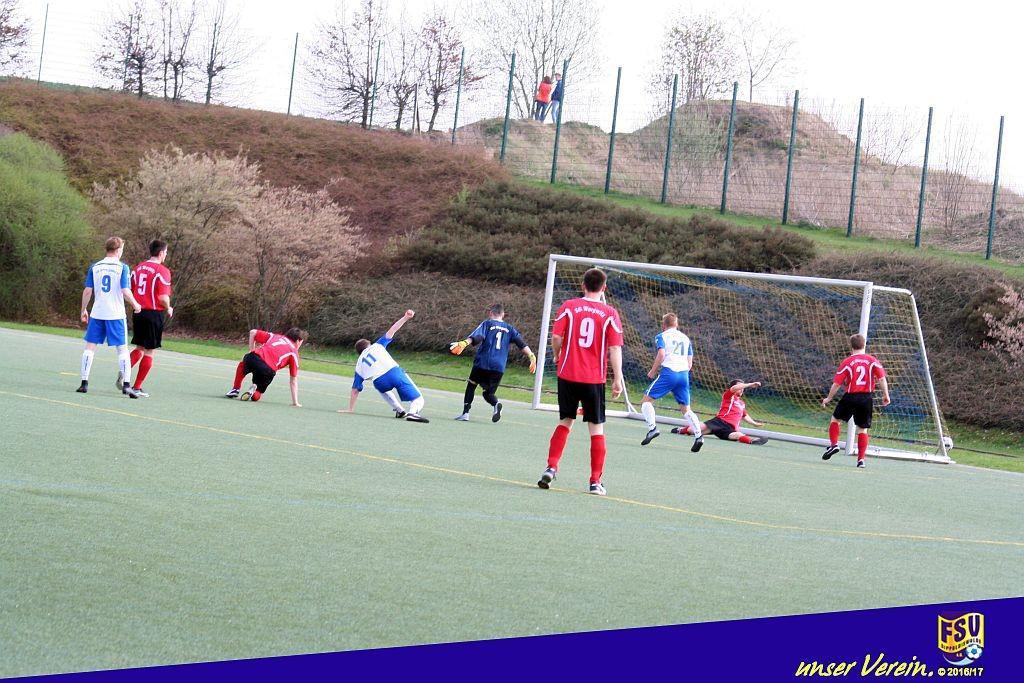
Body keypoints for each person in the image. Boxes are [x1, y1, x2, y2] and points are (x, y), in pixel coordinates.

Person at [537, 268, 624, 496]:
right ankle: (595, 481)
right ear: (604, 288)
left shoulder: (569, 306)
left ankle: (551, 467)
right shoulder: (610, 313)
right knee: (596, 429)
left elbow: (557, 336)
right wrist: (617, 379)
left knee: (565, 421)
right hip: (593, 378)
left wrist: (557, 355)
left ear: (583, 285)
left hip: (567, 374)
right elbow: (615, 348)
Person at [76, 236, 143, 397]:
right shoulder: (122, 267)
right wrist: (136, 304)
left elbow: (88, 291)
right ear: (118, 250)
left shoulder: (95, 267)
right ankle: (126, 385)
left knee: (90, 347)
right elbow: (125, 291)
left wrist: (83, 310)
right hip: (115, 314)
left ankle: (84, 383)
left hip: (97, 313)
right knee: (122, 349)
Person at [449, 303, 537, 423]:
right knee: (488, 394)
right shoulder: (510, 329)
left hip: (483, 362)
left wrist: (464, 343)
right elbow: (521, 344)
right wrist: (531, 356)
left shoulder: (487, 323)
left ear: (490, 313)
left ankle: (465, 413)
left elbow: (478, 337)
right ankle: (496, 404)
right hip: (499, 367)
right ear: (503, 314)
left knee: (471, 385)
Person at [340, 310, 428, 423]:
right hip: (393, 373)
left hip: (379, 381)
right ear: (369, 345)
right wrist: (405, 317)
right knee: (418, 399)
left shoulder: (359, 363)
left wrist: (350, 409)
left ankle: (399, 410)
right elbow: (393, 329)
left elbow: (355, 389)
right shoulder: (377, 345)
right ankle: (413, 413)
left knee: (382, 389)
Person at [821, 333, 890, 468]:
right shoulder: (872, 361)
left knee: (835, 419)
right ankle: (861, 460)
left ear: (851, 347)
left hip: (851, 396)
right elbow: (882, 379)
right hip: (866, 398)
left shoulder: (847, 362)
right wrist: (886, 395)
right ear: (864, 345)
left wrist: (829, 398)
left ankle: (834, 445)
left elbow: (837, 384)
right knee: (862, 430)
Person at [639, 313, 704, 451]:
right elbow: (690, 363)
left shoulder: (661, 336)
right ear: (677, 324)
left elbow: (661, 354)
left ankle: (652, 429)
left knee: (646, 401)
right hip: (684, 375)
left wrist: (653, 371)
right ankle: (699, 436)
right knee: (686, 409)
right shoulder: (686, 338)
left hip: (669, 373)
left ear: (663, 325)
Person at [127, 239, 173, 398]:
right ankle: (136, 387)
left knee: (139, 347)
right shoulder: (162, 271)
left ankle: (124, 375)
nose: (166, 255)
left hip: (138, 312)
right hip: (153, 314)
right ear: (161, 253)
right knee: (149, 351)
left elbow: (130, 290)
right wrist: (168, 307)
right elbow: (162, 297)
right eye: (165, 252)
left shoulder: (138, 268)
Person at [671, 380, 768, 446]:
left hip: (730, 428)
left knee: (738, 435)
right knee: (693, 430)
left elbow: (744, 415)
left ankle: (752, 441)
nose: (742, 389)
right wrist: (749, 384)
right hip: (719, 422)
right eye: (740, 386)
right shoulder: (728, 396)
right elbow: (734, 388)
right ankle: (681, 430)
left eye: (742, 387)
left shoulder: (742, 403)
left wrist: (754, 424)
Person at [225, 327, 306, 406]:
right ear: (298, 341)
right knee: (257, 394)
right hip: (267, 370)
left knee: (243, 364)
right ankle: (253, 393)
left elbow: (253, 332)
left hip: (254, 358)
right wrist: (295, 402)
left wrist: (251, 350)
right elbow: (293, 381)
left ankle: (235, 388)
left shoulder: (274, 336)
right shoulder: (294, 352)